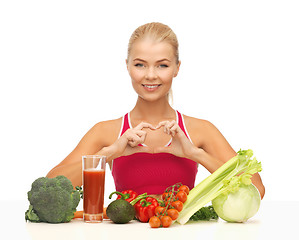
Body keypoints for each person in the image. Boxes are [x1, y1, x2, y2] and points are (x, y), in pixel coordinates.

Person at [47, 22, 265, 199]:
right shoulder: (107, 131)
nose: (150, 75)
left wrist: (196, 154)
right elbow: (49, 186)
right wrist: (109, 154)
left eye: (162, 65)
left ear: (177, 68)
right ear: (127, 66)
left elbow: (256, 189)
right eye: (140, 65)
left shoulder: (200, 130)